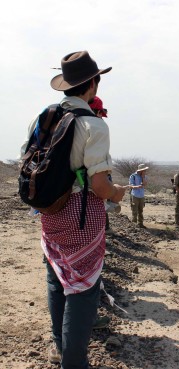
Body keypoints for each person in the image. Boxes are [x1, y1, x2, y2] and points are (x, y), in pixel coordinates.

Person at [20, 51, 127, 367]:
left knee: (56, 277)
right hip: (82, 215)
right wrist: (118, 192)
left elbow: (28, 159)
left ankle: (59, 345)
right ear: (93, 84)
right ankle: (74, 361)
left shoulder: (42, 117)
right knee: (83, 288)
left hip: (49, 212)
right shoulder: (94, 125)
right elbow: (100, 187)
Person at [89, 96, 113, 233]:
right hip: (85, 195)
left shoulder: (61, 121)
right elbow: (98, 177)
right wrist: (113, 191)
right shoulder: (97, 128)